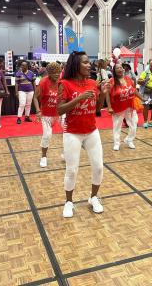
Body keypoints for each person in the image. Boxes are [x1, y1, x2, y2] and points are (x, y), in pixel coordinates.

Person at [57, 52, 109, 218]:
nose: (89, 65)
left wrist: (104, 94)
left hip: (92, 130)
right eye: (85, 63)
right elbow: (59, 109)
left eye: (89, 62)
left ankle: (93, 197)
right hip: (72, 132)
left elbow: (97, 109)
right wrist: (78, 98)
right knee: (72, 170)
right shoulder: (64, 84)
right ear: (76, 65)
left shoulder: (93, 83)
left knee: (99, 166)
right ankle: (68, 202)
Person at [33, 62, 62, 168]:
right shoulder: (43, 82)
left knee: (68, 131)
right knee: (47, 135)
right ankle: (44, 157)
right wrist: (37, 110)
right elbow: (35, 97)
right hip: (46, 114)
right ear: (49, 73)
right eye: (54, 73)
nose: (57, 75)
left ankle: (66, 152)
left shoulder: (61, 82)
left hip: (59, 113)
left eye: (58, 72)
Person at [106, 63, 138, 151]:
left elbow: (133, 90)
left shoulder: (128, 79)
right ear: (114, 71)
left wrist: (142, 98)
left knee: (134, 124)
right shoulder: (111, 81)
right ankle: (117, 143)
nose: (120, 69)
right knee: (117, 125)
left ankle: (129, 139)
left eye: (121, 67)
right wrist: (109, 107)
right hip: (117, 107)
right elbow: (107, 95)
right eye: (117, 68)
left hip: (130, 106)